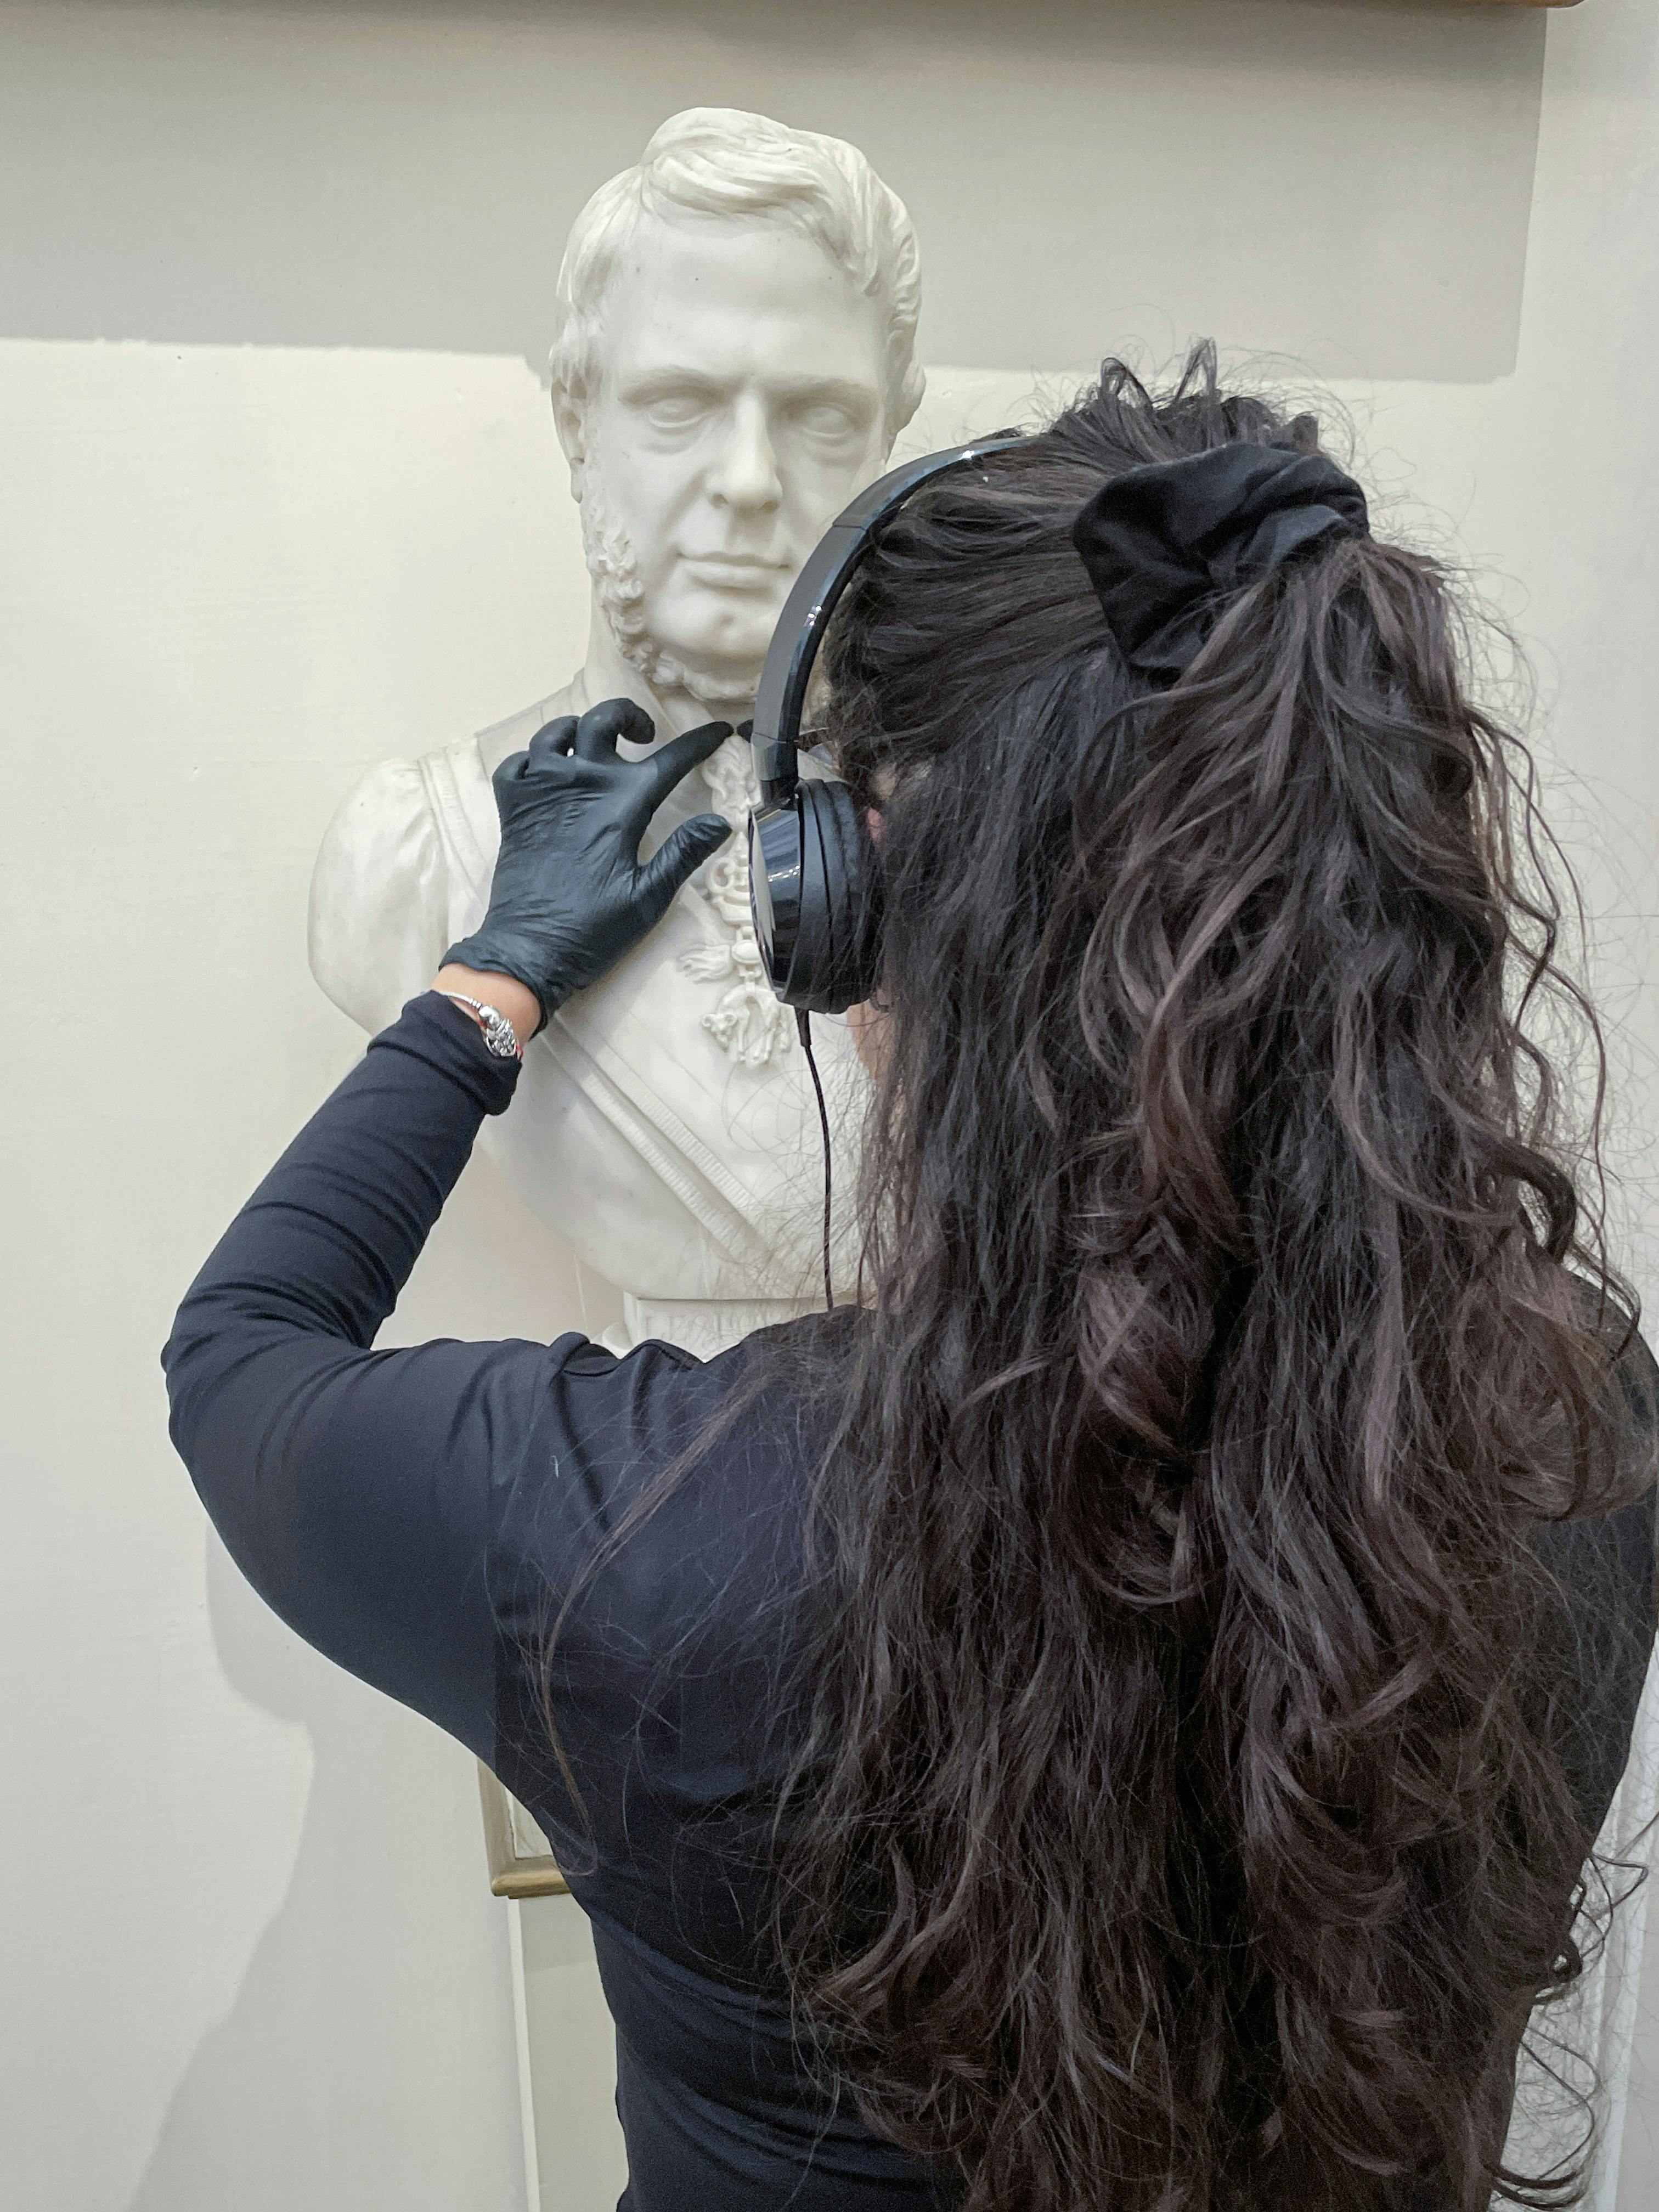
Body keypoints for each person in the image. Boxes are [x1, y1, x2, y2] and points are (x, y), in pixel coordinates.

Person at [166, 348, 1659, 2212]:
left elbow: (241, 1353)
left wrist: (493, 983)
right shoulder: (1583, 1426)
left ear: (847, 903)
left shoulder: (648, 1544)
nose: (730, 475)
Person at [307, 106, 928, 1358]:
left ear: (890, 440)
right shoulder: (415, 856)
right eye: (680, 405)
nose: (750, 480)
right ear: (576, 421)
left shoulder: (1000, 831)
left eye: (815, 415)